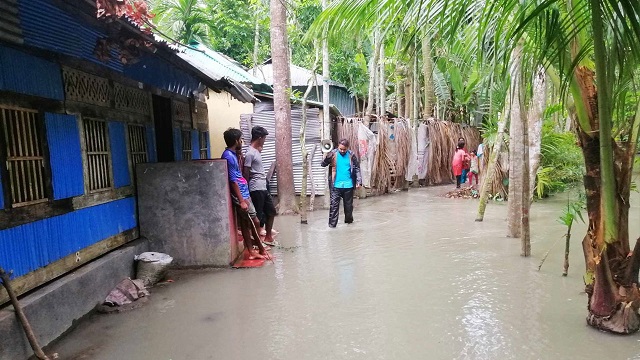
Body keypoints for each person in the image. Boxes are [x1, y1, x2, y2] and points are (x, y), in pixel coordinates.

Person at [221, 128, 267, 260]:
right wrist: (241, 200)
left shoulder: (233, 154)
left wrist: (239, 152)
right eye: (240, 139)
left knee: (246, 223)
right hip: (241, 193)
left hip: (244, 191)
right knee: (255, 221)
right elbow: (233, 180)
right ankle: (260, 249)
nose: (242, 141)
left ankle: (253, 250)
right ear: (236, 141)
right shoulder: (228, 156)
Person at [243, 126, 278, 247]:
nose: (265, 140)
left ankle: (268, 237)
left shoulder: (256, 151)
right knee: (256, 216)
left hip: (262, 186)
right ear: (259, 138)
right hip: (255, 188)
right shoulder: (249, 153)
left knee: (271, 212)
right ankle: (257, 242)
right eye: (264, 138)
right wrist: (246, 191)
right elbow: (246, 172)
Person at [321, 139, 362, 228]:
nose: (342, 151)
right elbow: (323, 164)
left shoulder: (351, 155)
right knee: (334, 208)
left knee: (348, 208)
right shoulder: (333, 154)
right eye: (340, 149)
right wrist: (327, 157)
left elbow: (357, 168)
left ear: (347, 148)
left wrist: (359, 181)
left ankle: (349, 226)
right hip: (335, 185)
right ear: (338, 147)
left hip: (348, 186)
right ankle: (332, 227)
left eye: (344, 149)